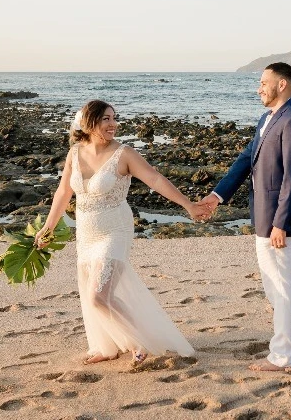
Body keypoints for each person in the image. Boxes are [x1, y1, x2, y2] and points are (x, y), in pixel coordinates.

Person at [34, 100, 210, 366]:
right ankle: (107, 347)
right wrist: (47, 227)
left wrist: (188, 205)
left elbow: (155, 179)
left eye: (114, 118)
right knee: (92, 292)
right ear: (89, 122)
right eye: (106, 119)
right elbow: (63, 192)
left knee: (98, 295)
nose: (113, 124)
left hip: (115, 230)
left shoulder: (124, 153)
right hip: (86, 232)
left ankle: (140, 342)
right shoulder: (74, 153)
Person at [199, 63, 291, 372]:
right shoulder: (267, 118)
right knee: (286, 279)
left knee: (280, 286)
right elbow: (245, 161)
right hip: (264, 213)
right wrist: (217, 195)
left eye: (264, 82)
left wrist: (280, 223)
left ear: (282, 85)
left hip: (280, 218)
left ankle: (284, 355)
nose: (259, 87)